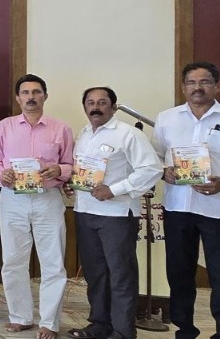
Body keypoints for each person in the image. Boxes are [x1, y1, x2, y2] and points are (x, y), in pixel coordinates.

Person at [152, 61, 220, 339]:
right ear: (183, 87)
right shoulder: (167, 118)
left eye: (204, 82)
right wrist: (163, 171)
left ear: (217, 86)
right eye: (191, 82)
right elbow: (154, 156)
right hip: (178, 207)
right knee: (179, 273)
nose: (197, 88)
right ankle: (184, 329)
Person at [68, 87, 161, 339]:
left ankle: (122, 331)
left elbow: (151, 169)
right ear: (85, 107)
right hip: (85, 211)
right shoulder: (83, 134)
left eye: (102, 102)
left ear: (113, 106)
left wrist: (114, 189)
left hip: (117, 214)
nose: (95, 107)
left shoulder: (129, 134)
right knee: (95, 274)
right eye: (90, 102)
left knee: (120, 274)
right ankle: (100, 324)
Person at [0, 74, 74, 339]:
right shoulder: (5, 126)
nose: (31, 97)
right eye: (25, 93)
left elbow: (70, 164)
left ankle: (49, 322)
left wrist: (59, 170)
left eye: (36, 92)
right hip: (13, 199)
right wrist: (2, 175)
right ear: (18, 98)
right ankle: (20, 317)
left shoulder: (61, 128)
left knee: (53, 263)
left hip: (48, 199)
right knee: (13, 261)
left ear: (45, 96)